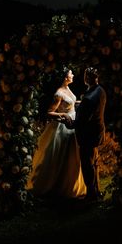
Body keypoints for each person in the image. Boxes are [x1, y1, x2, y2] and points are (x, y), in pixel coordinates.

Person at [26, 68, 87, 197]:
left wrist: (80, 102)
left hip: (72, 125)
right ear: (65, 77)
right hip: (62, 128)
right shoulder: (58, 93)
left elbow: (70, 102)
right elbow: (49, 113)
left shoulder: (67, 89)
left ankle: (69, 183)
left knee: (71, 157)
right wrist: (63, 114)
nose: (73, 75)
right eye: (71, 73)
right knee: (60, 157)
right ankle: (57, 185)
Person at [65, 66, 107, 201]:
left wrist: (69, 122)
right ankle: (97, 190)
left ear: (87, 78)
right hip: (97, 131)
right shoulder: (100, 90)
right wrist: (80, 104)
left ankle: (91, 194)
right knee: (94, 162)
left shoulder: (90, 98)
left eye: (86, 76)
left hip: (88, 135)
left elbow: (82, 121)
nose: (85, 78)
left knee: (87, 164)